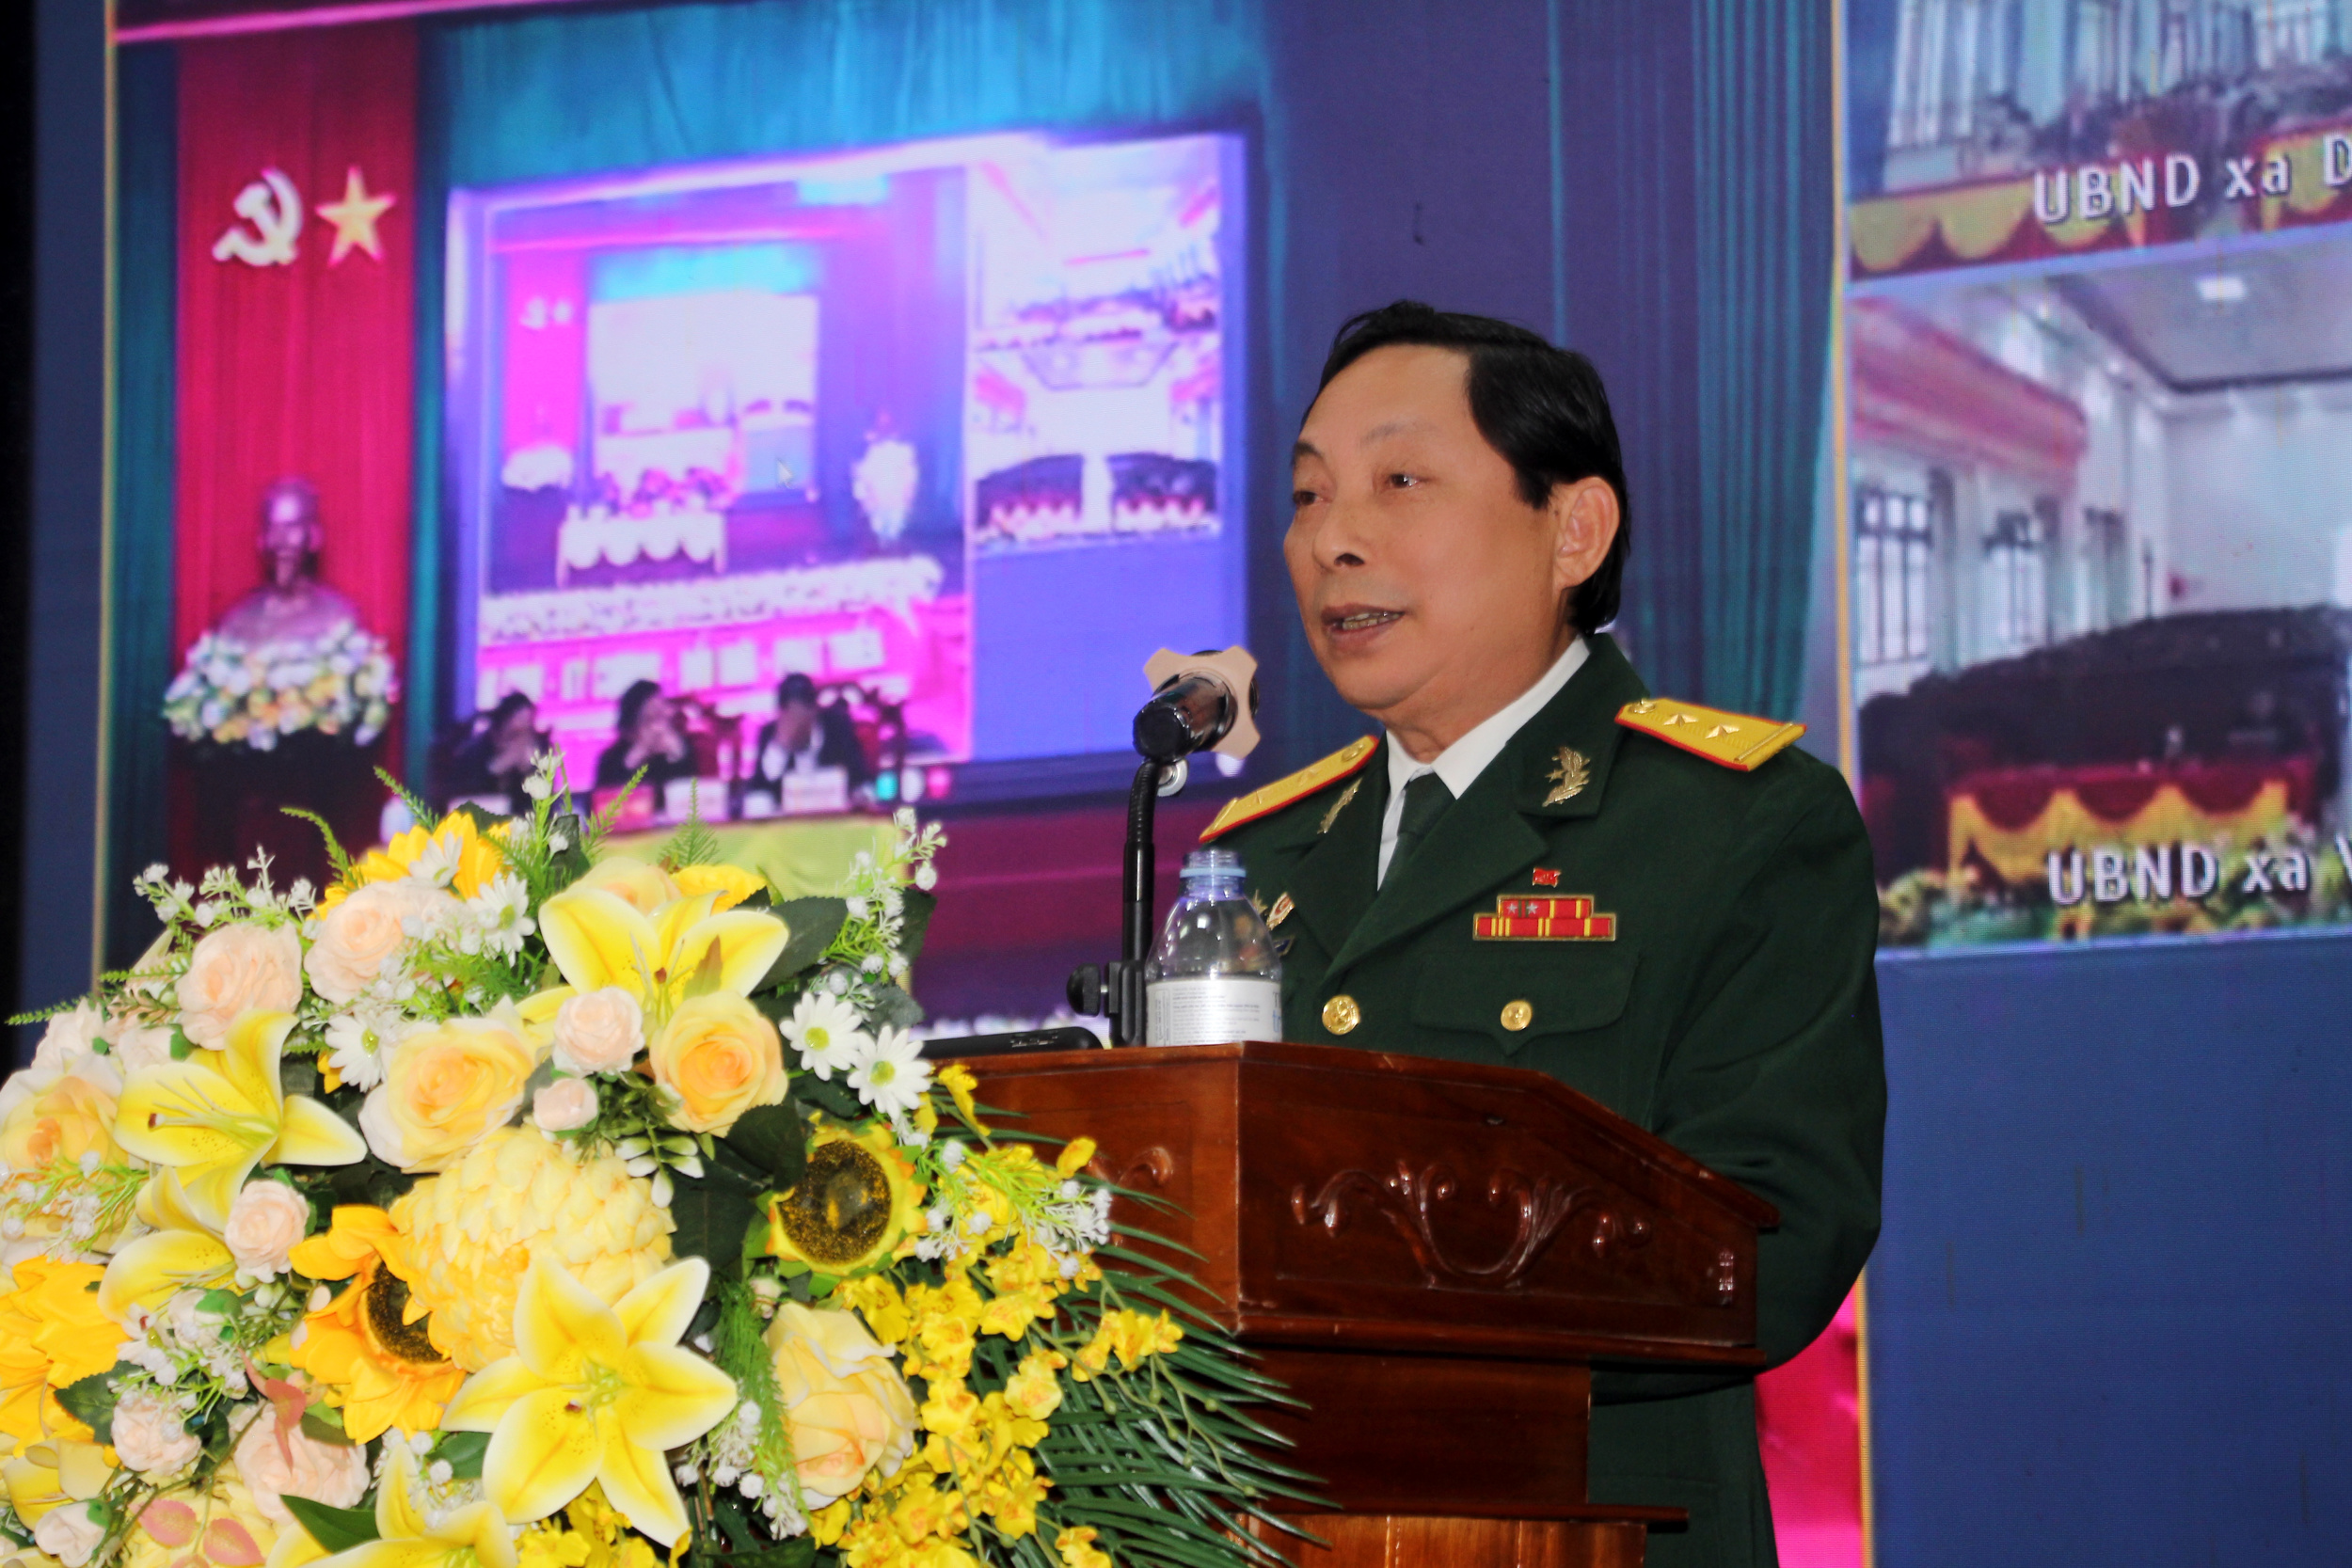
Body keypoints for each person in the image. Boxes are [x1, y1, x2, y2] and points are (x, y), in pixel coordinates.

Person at [1203, 302, 1884, 1568]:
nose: (1332, 538)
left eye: (1400, 482)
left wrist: (1376, 1320)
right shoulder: (1264, 853)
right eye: (1308, 494)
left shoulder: (1733, 824)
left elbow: (1772, 1242)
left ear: (1573, 529)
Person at [215, 477, 364, 645]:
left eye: (292, 527)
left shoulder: (337, 618)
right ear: (261, 539)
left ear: (314, 537)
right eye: (273, 528)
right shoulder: (239, 621)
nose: (282, 540)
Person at [750, 673, 872, 796]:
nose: (799, 717)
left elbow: (859, 775)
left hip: (834, 804)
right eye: (791, 711)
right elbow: (761, 787)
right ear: (781, 713)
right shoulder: (769, 733)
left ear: (815, 708)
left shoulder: (836, 726)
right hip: (788, 806)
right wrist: (781, 746)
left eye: (804, 708)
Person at [446, 692, 548, 816]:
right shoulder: (479, 748)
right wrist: (501, 765)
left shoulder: (536, 748)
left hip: (522, 815)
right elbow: (469, 786)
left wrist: (528, 768)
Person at [594, 679, 697, 794]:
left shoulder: (683, 748)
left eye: (661, 719)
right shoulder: (612, 759)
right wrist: (635, 759)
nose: (657, 729)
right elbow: (602, 799)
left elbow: (693, 794)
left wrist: (678, 755)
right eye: (649, 721)